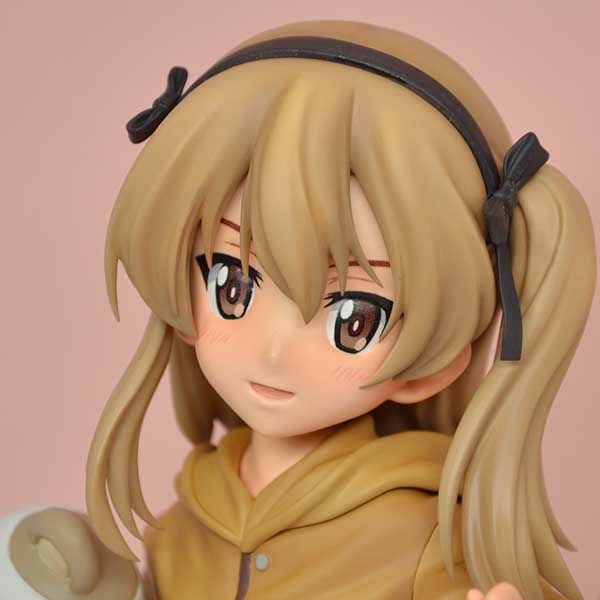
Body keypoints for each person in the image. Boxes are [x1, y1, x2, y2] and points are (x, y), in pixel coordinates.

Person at [4, 19, 594, 600]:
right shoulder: (184, 525)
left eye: (353, 319)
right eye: (232, 286)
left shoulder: (428, 543)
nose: (273, 351)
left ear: (431, 363)